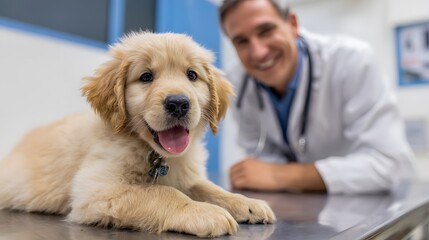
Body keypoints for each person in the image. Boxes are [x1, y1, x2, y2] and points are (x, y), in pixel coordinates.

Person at [219, 0, 415, 194]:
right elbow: (261, 162)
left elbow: (389, 165)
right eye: (242, 41)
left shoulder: (352, 62)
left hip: (366, 206)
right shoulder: (237, 83)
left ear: (293, 24)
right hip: (296, 208)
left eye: (266, 31)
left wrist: (282, 175)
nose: (258, 52)